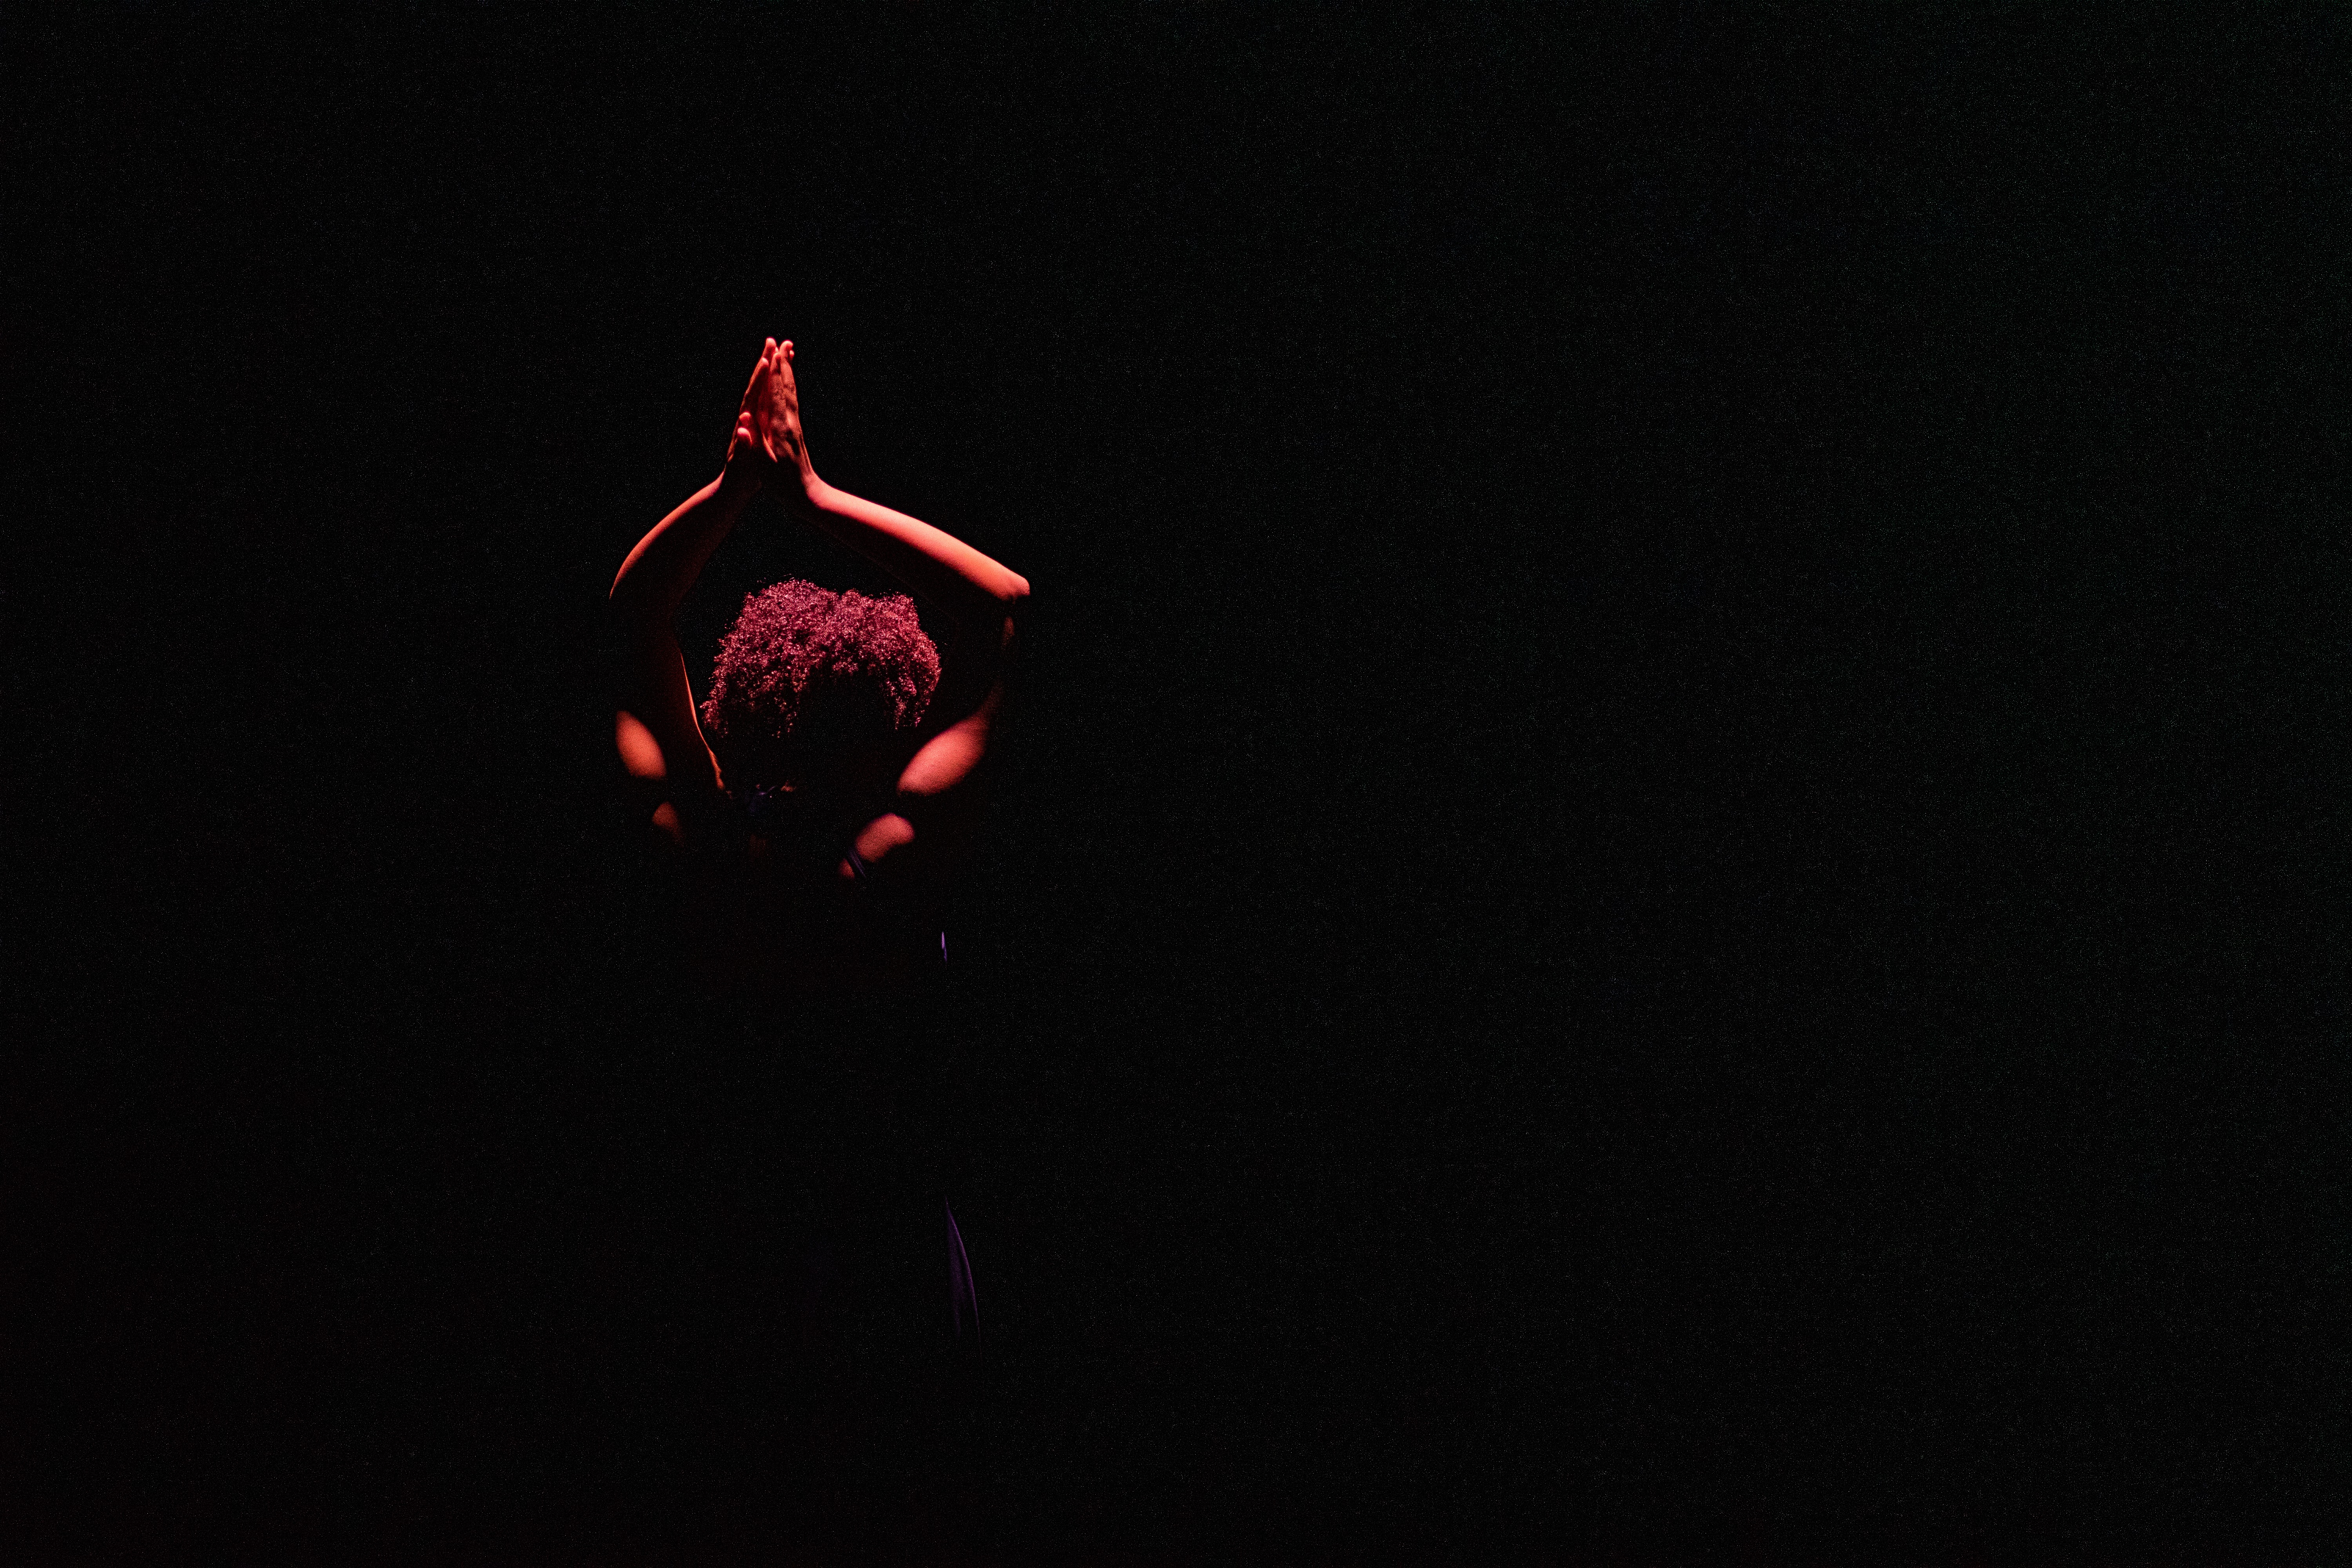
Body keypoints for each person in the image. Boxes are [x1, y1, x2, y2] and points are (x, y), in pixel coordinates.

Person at [604, 337, 1026, 1540]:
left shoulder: (701, 846)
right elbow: (1003, 610)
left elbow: (636, 619)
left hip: (725, 1260)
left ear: (743, 704)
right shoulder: (893, 858)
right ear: (893, 713)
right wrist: (814, 498)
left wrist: (733, 493)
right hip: (883, 1263)